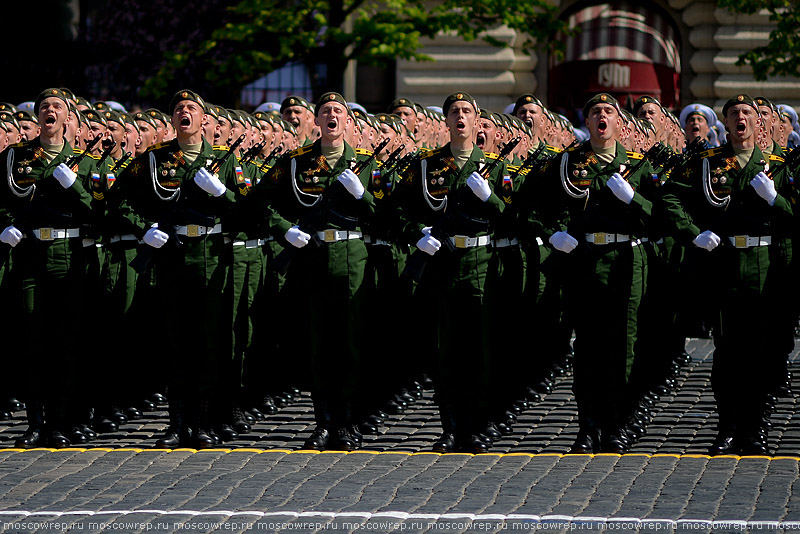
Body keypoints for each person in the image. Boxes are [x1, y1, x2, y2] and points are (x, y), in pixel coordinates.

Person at [661, 94, 794, 455]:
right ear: (726, 123)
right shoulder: (708, 164)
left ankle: (756, 428)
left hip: (766, 263)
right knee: (728, 353)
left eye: (747, 112)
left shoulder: (778, 165)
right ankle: (729, 426)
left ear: (759, 122)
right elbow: (670, 197)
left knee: (762, 351)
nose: (741, 118)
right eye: (733, 113)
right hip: (725, 262)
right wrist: (693, 233)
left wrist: (775, 200)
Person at [528, 93, 656, 454]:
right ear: (587, 123)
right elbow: (532, 207)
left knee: (623, 347)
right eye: (595, 111)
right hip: (583, 260)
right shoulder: (567, 162)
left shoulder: (637, 164)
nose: (602, 116)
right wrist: (553, 233)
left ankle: (616, 425)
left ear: (619, 122)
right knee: (587, 349)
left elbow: (660, 216)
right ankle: (588, 427)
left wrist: (634, 198)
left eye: (609, 111)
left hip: (624, 260)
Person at [111, 89, 239, 449]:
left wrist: (221, 193)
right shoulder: (153, 161)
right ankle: (176, 423)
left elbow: (245, 211)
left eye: (192, 108)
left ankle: (201, 423)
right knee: (176, 341)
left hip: (212, 256)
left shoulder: (225, 161)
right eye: (179, 109)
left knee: (208, 343)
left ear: (204, 120)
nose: (185, 112)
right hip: (172, 256)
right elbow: (118, 198)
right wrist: (144, 229)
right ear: (172, 120)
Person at [250, 91, 378, 451]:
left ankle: (347, 423)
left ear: (348, 122)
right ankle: (322, 422)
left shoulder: (366, 163)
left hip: (352, 255)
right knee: (318, 342)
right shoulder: (295, 162)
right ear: (316, 122)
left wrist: (363, 195)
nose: (332, 117)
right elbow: (260, 200)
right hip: (312, 255)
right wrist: (284, 228)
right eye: (325, 112)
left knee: (350, 342)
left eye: (338, 111)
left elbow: (387, 216)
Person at [394, 92, 509, 453]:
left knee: (477, 350)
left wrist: (490, 196)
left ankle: (475, 427)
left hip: (479, 265)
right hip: (442, 264)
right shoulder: (427, 166)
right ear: (445, 122)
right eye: (454, 112)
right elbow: (397, 211)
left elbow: (512, 216)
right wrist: (419, 236)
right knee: (445, 351)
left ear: (476, 121)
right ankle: (450, 428)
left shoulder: (494, 167)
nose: (460, 116)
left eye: (466, 111)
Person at [0, 88, 95, 448]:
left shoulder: (82, 162)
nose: (49, 111)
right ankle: (35, 423)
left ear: (69, 118)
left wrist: (77, 189)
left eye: (57, 107)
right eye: (44, 107)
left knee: (66, 340)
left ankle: (61, 422)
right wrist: (4, 225)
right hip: (30, 254)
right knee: (33, 339)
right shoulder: (16, 158)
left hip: (69, 254)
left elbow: (98, 211)